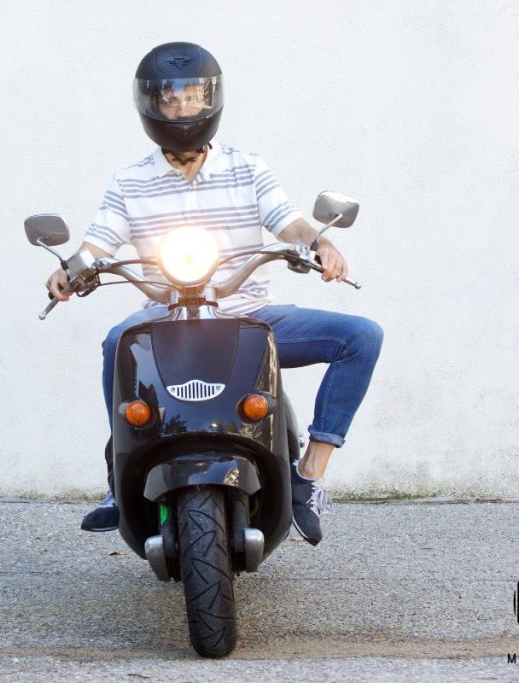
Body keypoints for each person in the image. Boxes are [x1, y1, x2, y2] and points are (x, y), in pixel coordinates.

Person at [45, 42, 383, 546]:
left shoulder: (247, 167)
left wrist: (320, 242)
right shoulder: (129, 182)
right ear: (150, 106)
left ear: (211, 101)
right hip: (165, 319)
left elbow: (287, 221)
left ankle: (309, 475)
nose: (181, 109)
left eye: (191, 98)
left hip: (251, 316)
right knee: (118, 342)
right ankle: (119, 479)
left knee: (361, 336)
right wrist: (68, 271)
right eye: (169, 100)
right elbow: (98, 243)